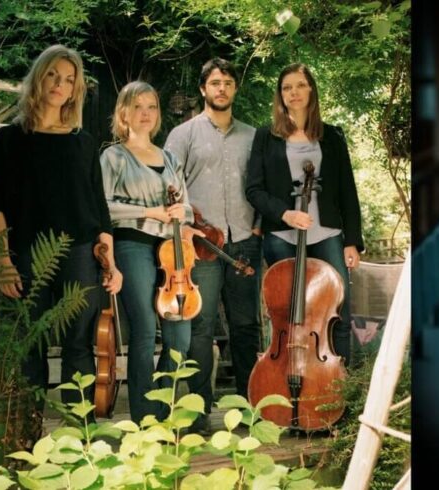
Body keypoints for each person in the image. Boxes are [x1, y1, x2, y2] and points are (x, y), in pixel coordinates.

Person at [0, 45, 123, 408]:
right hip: (28, 251)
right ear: (38, 77)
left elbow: (99, 208)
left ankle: (80, 432)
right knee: (30, 342)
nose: (59, 84)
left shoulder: (83, 143)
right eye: (53, 74)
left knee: (79, 345)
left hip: (81, 253)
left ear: (75, 89)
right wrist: (3, 263)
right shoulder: (7, 140)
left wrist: (112, 264)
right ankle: (25, 432)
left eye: (68, 79)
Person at [164, 58, 261, 434]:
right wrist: (185, 228)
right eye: (215, 82)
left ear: (235, 89)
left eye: (228, 82)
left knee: (246, 326)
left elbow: (263, 187)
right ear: (204, 89)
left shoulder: (254, 136)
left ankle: (247, 410)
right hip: (201, 244)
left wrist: (257, 229)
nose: (221, 88)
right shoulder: (183, 134)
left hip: (244, 245)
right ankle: (199, 413)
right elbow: (168, 185)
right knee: (201, 327)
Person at [245, 62, 364, 367]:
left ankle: (338, 388)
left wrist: (352, 241)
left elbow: (347, 191)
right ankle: (289, 385)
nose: (293, 93)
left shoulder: (333, 136)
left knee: (337, 309)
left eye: (300, 85)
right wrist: (285, 213)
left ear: (311, 89)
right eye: (287, 88)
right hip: (282, 235)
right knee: (287, 313)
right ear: (280, 95)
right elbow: (254, 190)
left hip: (328, 234)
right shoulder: (265, 136)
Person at [100, 81, 200, 424]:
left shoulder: (169, 157)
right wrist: (148, 212)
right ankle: (145, 419)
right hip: (132, 244)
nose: (145, 114)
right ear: (124, 113)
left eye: (152, 107)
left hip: (172, 252)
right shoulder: (113, 156)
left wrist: (179, 213)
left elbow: (186, 207)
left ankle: (161, 411)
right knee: (144, 330)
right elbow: (103, 208)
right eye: (138, 107)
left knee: (179, 337)